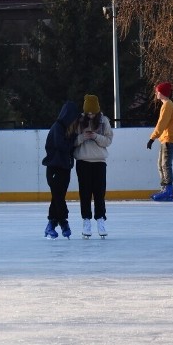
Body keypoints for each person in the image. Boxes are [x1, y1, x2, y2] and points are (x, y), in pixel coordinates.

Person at [74, 94, 113, 238]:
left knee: (99, 193)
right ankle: (86, 221)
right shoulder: (78, 121)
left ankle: (101, 220)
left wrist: (96, 137)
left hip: (99, 162)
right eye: (88, 113)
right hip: (83, 161)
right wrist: (81, 138)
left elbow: (108, 140)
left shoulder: (104, 121)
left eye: (93, 113)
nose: (90, 115)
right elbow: (71, 141)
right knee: (84, 193)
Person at [41, 101, 80, 239]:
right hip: (53, 168)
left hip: (65, 168)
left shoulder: (71, 130)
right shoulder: (57, 127)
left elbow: (70, 147)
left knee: (58, 197)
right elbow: (62, 146)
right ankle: (63, 222)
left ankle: (51, 225)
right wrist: (74, 142)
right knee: (58, 197)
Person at [147, 82, 173, 202]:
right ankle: (164, 189)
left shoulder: (167, 105)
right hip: (166, 139)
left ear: (162, 93)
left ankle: (169, 191)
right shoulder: (166, 105)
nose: (156, 93)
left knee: (165, 165)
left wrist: (152, 137)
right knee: (160, 164)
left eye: (157, 91)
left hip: (169, 139)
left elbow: (162, 123)